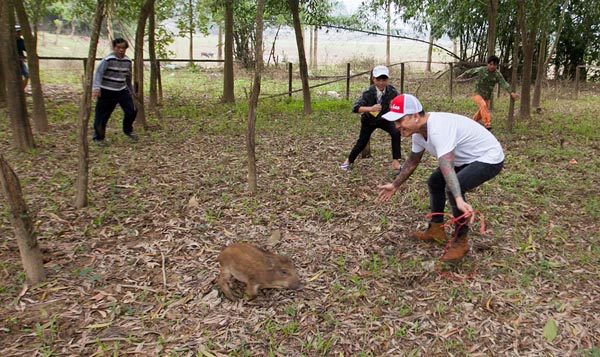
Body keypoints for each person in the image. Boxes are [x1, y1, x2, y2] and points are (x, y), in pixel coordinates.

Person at [377, 94, 504, 262]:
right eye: (395, 121)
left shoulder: (438, 129)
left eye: (400, 120)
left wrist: (458, 198)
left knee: (452, 187)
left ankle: (461, 240)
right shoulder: (418, 134)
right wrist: (395, 185)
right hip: (464, 158)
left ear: (416, 116)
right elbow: (413, 161)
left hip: (488, 157)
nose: (397, 126)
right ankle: (436, 230)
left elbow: (447, 166)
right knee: (434, 182)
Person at [340, 65, 402, 172]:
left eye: (384, 80)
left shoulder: (391, 90)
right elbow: (355, 108)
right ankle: (348, 160)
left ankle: (395, 162)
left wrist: (395, 108)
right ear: (373, 79)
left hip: (384, 119)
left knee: (396, 132)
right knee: (362, 142)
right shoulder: (368, 92)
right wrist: (370, 108)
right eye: (378, 79)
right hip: (369, 120)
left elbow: (400, 101)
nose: (381, 83)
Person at [92, 38, 138, 143]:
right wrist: (96, 88)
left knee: (132, 110)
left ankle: (128, 130)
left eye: (123, 48)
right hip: (106, 91)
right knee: (102, 116)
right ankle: (98, 137)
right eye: (118, 47)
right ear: (114, 48)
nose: (121, 50)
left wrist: (131, 92)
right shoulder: (108, 59)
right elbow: (98, 73)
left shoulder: (128, 61)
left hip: (121, 90)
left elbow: (128, 77)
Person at [458, 55, 519, 130]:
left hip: (487, 96)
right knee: (483, 105)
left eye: (494, 65)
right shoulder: (482, 70)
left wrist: (511, 92)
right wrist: (463, 75)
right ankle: (487, 123)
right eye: (490, 64)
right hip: (478, 93)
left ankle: (472, 122)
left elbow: (504, 83)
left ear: (497, 65)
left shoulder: (497, 74)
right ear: (488, 64)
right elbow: (472, 70)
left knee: (481, 112)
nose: (492, 66)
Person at [15, 25, 29, 90]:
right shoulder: (10, 41)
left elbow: (26, 49)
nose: (19, 33)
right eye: (17, 32)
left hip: (20, 62)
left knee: (27, 75)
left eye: (20, 32)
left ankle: (21, 90)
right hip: (11, 62)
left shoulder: (21, 41)